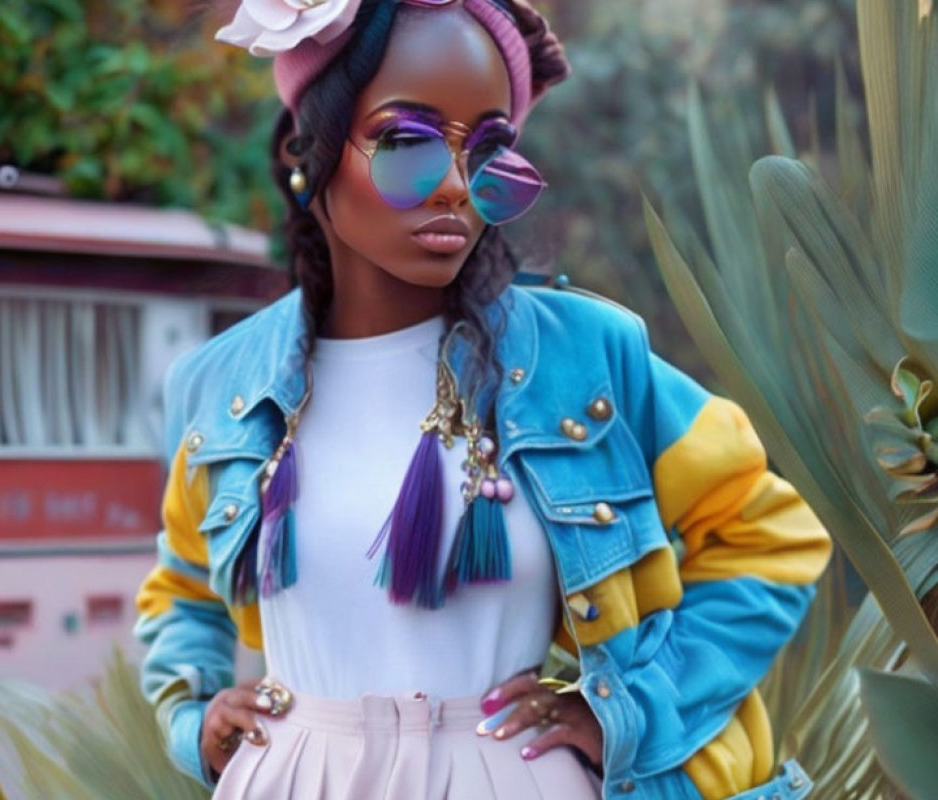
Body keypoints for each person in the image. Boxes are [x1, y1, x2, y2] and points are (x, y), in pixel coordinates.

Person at [134, 1, 832, 798]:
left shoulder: (587, 360)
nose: (459, 188)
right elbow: (183, 586)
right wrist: (195, 721)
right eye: (407, 145)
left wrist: (629, 712)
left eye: (492, 153)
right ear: (308, 151)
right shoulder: (225, 385)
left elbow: (770, 536)